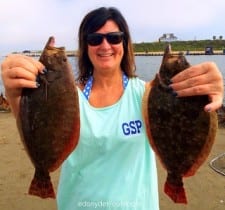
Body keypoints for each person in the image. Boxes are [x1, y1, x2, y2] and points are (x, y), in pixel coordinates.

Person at [1, 7, 224, 210]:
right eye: (95, 38)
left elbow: (185, 114)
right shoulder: (67, 98)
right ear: (85, 45)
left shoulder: (146, 95)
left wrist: (206, 91)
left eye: (114, 38)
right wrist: (13, 93)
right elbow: (32, 127)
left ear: (125, 43)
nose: (105, 45)